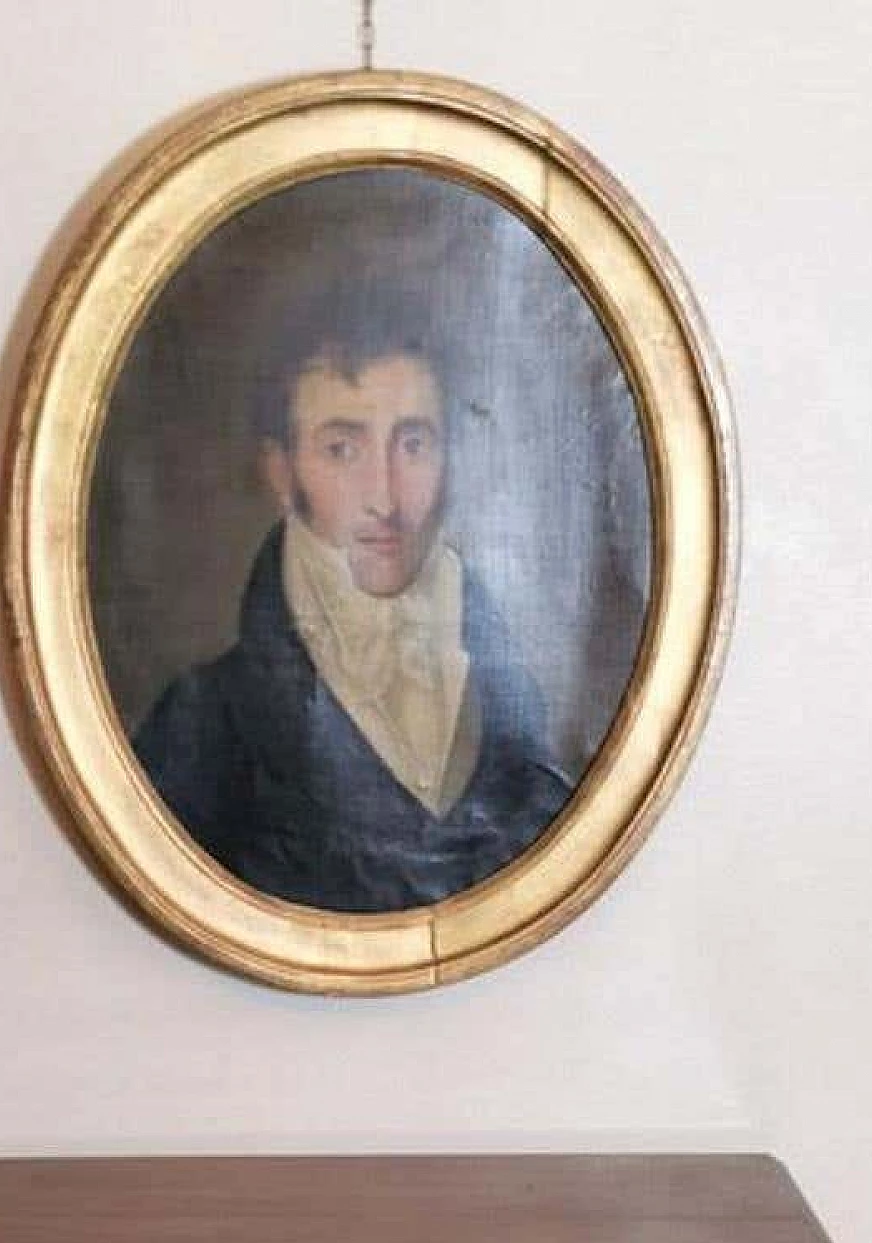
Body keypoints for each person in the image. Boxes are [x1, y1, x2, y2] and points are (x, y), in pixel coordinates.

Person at [131, 284, 573, 914]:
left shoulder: (516, 694)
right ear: (282, 474)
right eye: (343, 449)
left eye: (413, 444)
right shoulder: (204, 723)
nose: (386, 498)